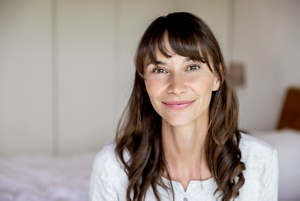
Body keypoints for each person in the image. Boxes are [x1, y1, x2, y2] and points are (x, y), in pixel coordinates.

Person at [89, 12, 278, 201]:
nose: (176, 87)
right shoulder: (112, 166)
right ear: (144, 83)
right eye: (160, 70)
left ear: (218, 78)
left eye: (192, 67)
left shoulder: (260, 161)